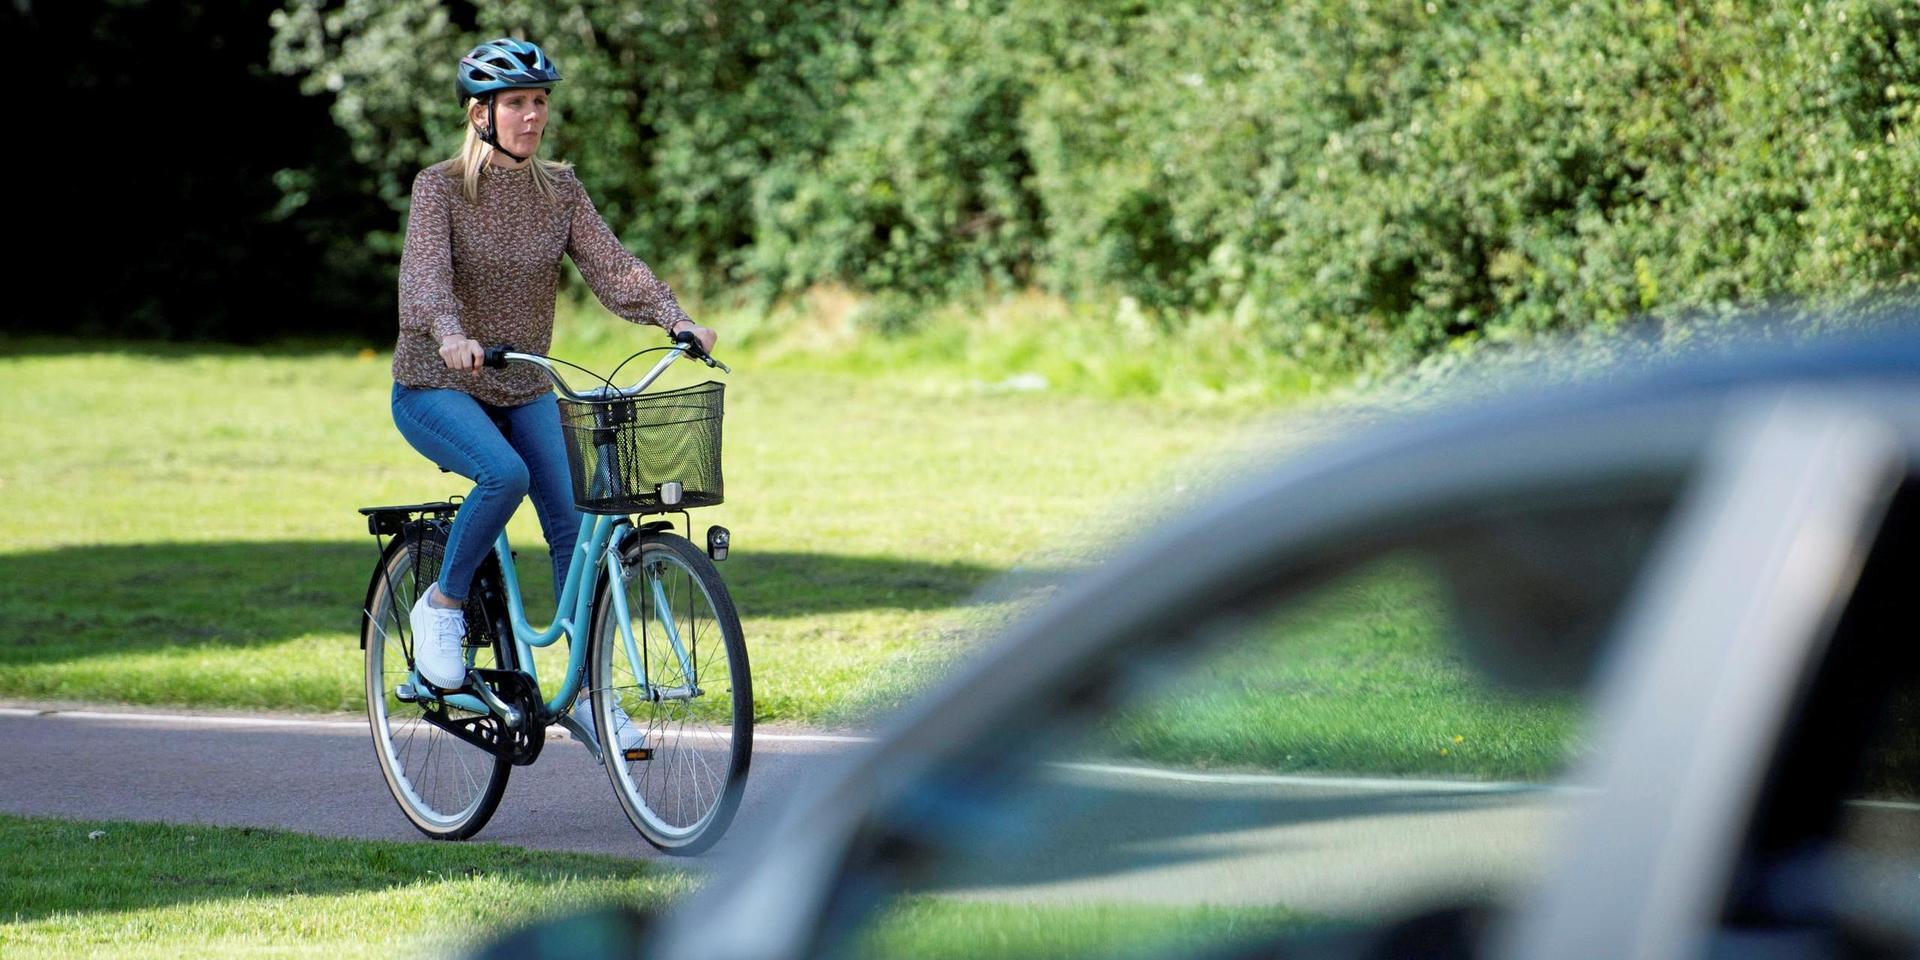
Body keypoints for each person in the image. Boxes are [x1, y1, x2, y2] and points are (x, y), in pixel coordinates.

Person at [390, 37, 714, 748]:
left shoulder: (559, 189)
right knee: (502, 474)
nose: (532, 116)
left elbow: (612, 266)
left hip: (525, 381)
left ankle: (592, 697)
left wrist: (673, 317)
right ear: (481, 114)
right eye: (516, 103)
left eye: (539, 101)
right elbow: (424, 281)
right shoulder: (438, 187)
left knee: (578, 518)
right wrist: (449, 332)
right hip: (436, 382)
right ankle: (441, 604)